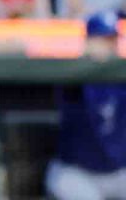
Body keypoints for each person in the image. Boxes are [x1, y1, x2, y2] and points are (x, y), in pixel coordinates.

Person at [46, 11, 126, 200]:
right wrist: (87, 57)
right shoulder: (74, 78)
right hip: (76, 173)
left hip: (117, 172)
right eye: (102, 39)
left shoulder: (121, 77)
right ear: (88, 41)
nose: (108, 45)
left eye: (112, 39)